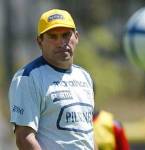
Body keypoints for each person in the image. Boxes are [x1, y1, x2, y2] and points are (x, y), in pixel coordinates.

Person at [8, 9, 95, 150]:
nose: (61, 42)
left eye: (66, 35)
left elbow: (88, 133)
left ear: (77, 37)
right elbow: (24, 138)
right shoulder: (28, 78)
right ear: (39, 41)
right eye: (53, 36)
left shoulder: (84, 76)